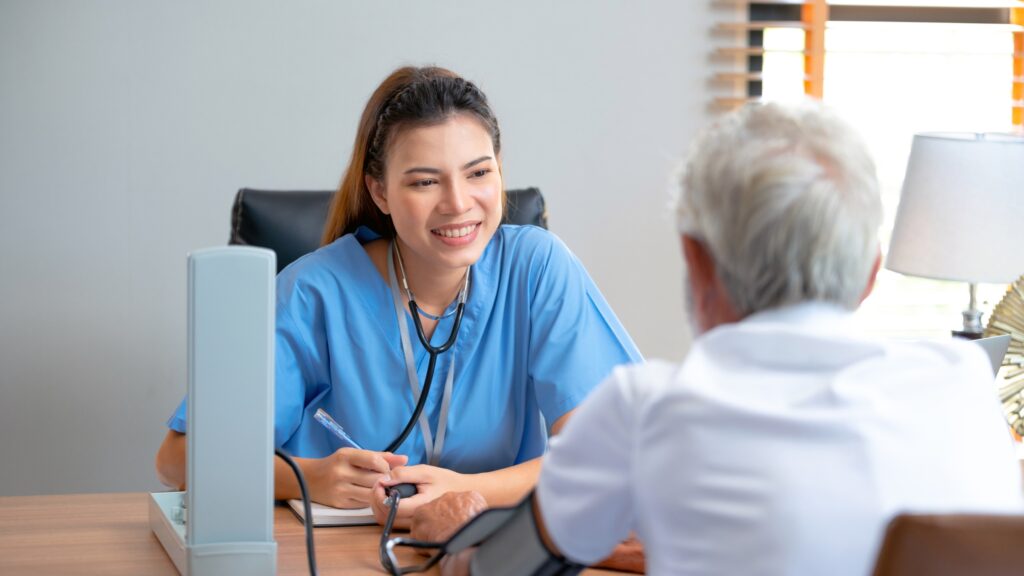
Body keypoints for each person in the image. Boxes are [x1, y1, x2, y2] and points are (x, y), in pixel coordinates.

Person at [409, 101, 1024, 575]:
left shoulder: (643, 411)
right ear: (870, 272)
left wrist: (456, 536)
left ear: (695, 261)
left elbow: (503, 570)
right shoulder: (963, 386)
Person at [154, 66, 641, 524]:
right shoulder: (314, 292)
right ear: (380, 192)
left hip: (486, 550)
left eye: (478, 173)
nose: (457, 203)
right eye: (425, 181)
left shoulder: (537, 267)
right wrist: (306, 476)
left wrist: (465, 493)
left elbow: (611, 455)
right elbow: (177, 458)